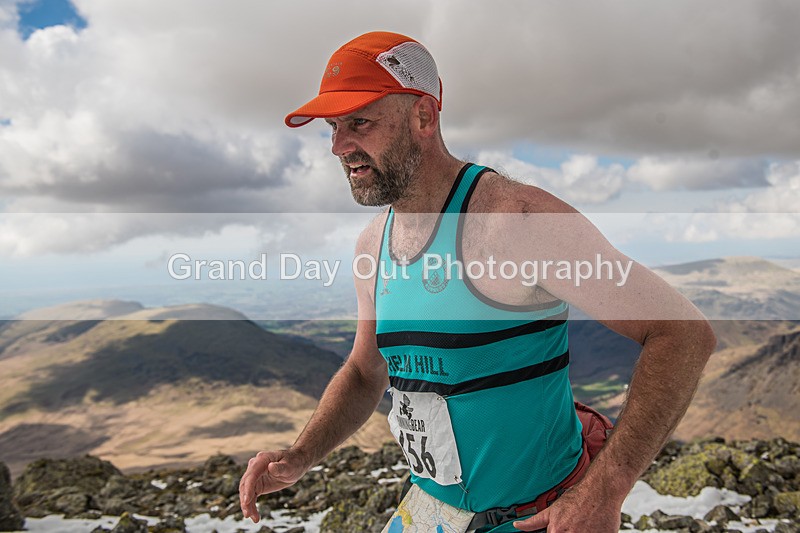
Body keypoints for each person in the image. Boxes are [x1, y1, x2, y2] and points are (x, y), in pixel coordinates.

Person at [239, 31, 716, 532]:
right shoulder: (372, 246)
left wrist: (604, 490)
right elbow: (364, 372)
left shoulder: (517, 220)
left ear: (424, 116)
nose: (339, 147)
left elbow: (682, 333)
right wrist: (300, 455)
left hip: (541, 516)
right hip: (432, 511)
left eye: (360, 122)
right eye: (333, 128)